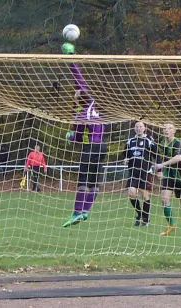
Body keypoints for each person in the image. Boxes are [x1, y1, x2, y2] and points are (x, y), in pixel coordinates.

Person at [61, 43, 107, 227]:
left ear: (79, 98)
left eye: (76, 93)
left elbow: (79, 138)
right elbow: (78, 79)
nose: (76, 91)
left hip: (90, 149)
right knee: (95, 183)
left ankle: (76, 212)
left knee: (82, 182)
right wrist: (71, 58)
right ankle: (86, 211)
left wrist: (71, 136)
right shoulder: (92, 105)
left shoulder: (81, 115)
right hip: (102, 147)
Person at [154, 124, 181, 236]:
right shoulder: (161, 143)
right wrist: (160, 170)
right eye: (165, 128)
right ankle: (171, 225)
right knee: (164, 199)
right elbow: (159, 157)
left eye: (169, 128)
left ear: (174, 131)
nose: (167, 130)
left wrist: (162, 164)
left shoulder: (177, 143)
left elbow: (178, 158)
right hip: (169, 175)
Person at [123, 122, 158, 226]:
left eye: (140, 126)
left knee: (145, 195)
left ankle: (146, 219)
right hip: (133, 172)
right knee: (131, 193)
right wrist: (125, 159)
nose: (138, 128)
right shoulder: (130, 141)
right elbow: (125, 154)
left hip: (145, 172)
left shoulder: (149, 141)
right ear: (134, 129)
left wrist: (159, 170)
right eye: (137, 127)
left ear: (144, 128)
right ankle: (140, 214)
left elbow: (156, 155)